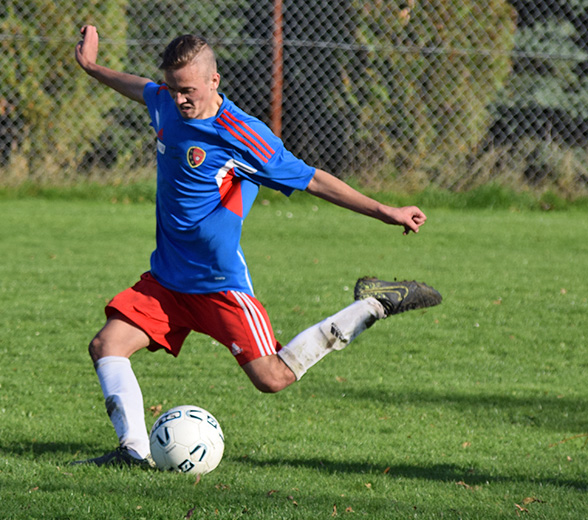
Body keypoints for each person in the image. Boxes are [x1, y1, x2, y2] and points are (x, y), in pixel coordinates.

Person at [73, 25, 441, 468]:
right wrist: (92, 67)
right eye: (173, 89)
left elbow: (313, 179)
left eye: (188, 90)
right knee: (106, 345)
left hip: (217, 284)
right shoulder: (165, 104)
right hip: (167, 280)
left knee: (272, 378)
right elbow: (141, 88)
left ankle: (373, 305)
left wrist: (385, 211)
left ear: (214, 80)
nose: (180, 99)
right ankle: (133, 452)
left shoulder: (242, 134)